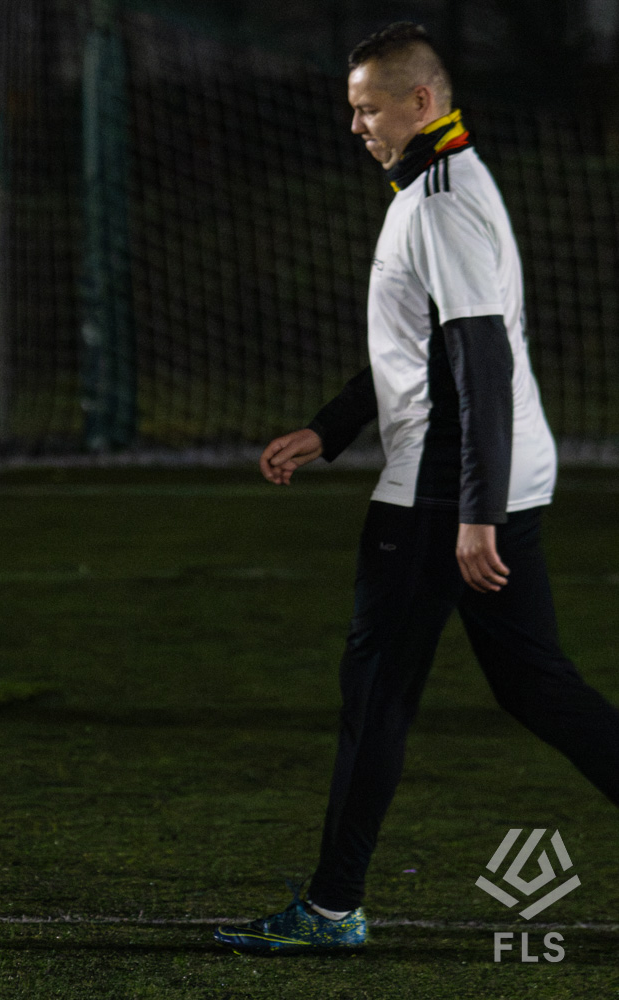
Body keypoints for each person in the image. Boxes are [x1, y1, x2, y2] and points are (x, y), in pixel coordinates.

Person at [214, 22, 619, 954]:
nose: (355, 125)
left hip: (441, 493)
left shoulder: (437, 203)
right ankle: (331, 904)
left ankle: (330, 909)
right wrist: (332, 428)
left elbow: (479, 364)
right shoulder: (448, 183)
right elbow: (428, 349)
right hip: (479, 482)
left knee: (378, 694)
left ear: (420, 101)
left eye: (367, 108)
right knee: (537, 688)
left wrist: (474, 513)